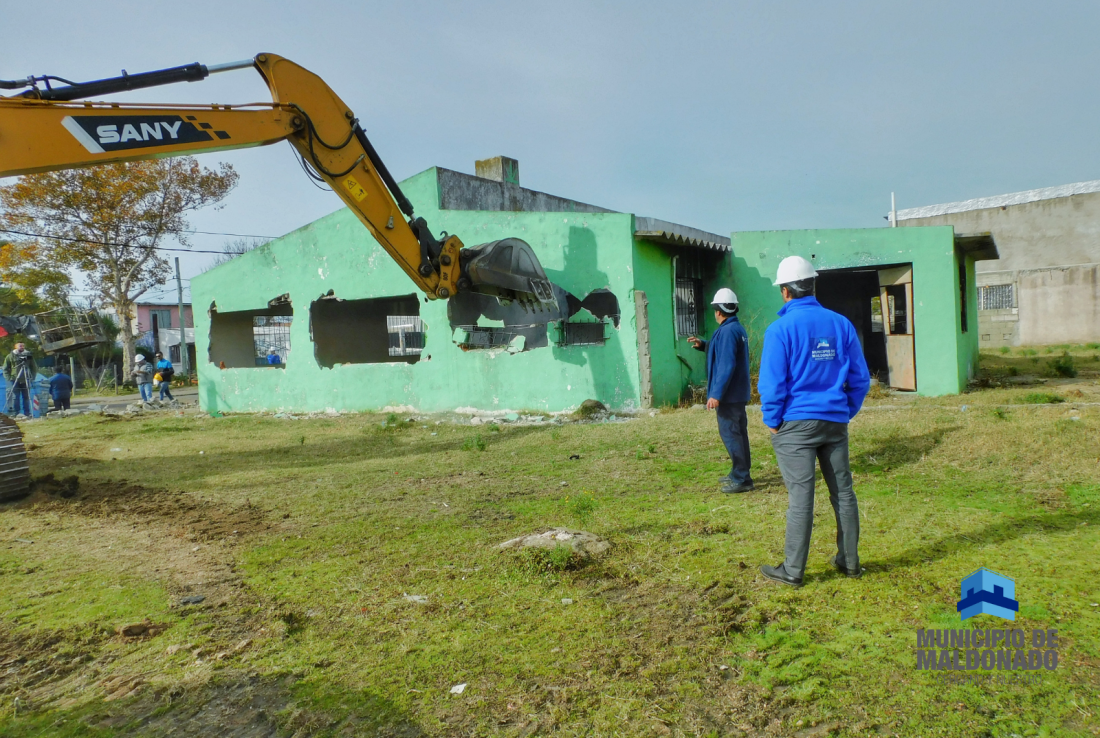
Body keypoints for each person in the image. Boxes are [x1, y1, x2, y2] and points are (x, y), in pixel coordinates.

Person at [757, 256, 871, 588]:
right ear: (812, 286)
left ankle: (793, 570)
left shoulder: (779, 330)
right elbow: (860, 379)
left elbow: (772, 384)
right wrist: (844, 411)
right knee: (844, 493)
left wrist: (772, 420)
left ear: (785, 291)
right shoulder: (841, 324)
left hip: (795, 425)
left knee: (801, 498)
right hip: (834, 422)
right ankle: (850, 562)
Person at [688, 288, 754, 494]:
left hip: (729, 395)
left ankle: (742, 478)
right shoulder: (735, 328)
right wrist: (703, 345)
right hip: (737, 394)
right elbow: (723, 351)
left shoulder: (727, 331)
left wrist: (716, 394)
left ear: (718, 311)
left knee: (731, 435)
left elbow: (726, 365)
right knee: (738, 434)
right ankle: (739, 473)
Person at [3, 342, 37, 417]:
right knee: (15, 397)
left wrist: (32, 377)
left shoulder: (28, 355)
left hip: (26, 378)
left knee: (26, 397)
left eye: (23, 346)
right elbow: (5, 368)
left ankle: (27, 413)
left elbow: (33, 367)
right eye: (20, 346)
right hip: (14, 379)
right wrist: (8, 378)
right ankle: (16, 413)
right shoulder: (10, 356)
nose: (22, 347)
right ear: (16, 347)